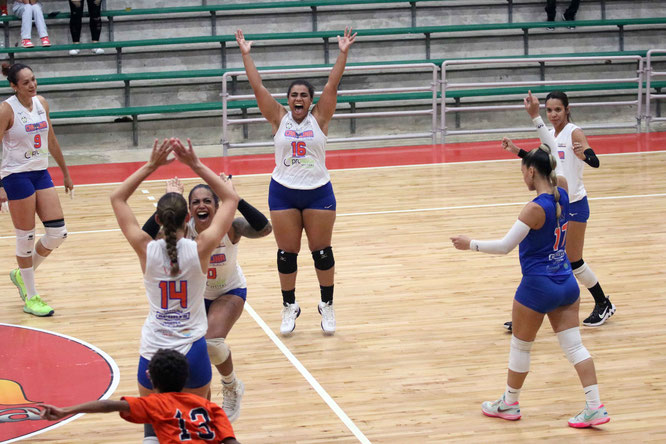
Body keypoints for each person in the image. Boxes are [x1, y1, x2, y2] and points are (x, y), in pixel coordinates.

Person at [451, 142, 611, 429]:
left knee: (521, 347)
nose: (522, 176)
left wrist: (469, 244)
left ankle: (510, 403)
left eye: (523, 170)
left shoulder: (534, 209)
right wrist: (527, 149)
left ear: (531, 172)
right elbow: (557, 172)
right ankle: (594, 406)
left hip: (537, 287)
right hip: (566, 284)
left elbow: (503, 247)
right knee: (575, 349)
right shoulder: (561, 192)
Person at [110, 138, 239, 443]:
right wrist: (194, 163)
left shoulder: (146, 248)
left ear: (156, 221)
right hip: (192, 348)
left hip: (153, 347)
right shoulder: (201, 248)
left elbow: (117, 198)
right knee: (197, 428)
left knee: (153, 428)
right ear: (189, 218)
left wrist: (152, 165)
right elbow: (230, 199)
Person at [235, 27, 356, 336]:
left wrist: (343, 52)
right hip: (284, 193)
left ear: (310, 101)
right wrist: (246, 55)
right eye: (294, 95)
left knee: (322, 252)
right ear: (288, 100)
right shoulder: (278, 118)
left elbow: (332, 84)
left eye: (304, 95)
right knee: (287, 254)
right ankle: (290, 305)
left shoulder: (321, 118)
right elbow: (257, 86)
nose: (298, 98)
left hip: (318, 192)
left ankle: (326, 305)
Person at [142, 176, 272, 423]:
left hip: (228, 292)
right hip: (195, 300)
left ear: (217, 205)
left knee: (212, 342)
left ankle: (232, 385)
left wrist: (235, 198)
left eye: (207, 201)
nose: (201, 205)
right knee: (195, 357)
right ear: (188, 211)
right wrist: (170, 203)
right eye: (195, 202)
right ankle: (203, 415)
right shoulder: (181, 232)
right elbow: (145, 237)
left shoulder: (230, 227)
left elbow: (264, 228)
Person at [503, 91, 615, 329]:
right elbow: (545, 164)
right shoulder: (550, 135)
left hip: (573, 204)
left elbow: (594, 160)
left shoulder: (574, 131)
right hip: (556, 204)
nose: (553, 115)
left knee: (573, 260)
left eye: (558, 110)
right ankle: (529, 310)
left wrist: (585, 155)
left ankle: (603, 302)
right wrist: (518, 151)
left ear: (567, 109)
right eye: (549, 110)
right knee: (549, 257)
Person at [39, 348, 241, 444]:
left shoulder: (156, 404)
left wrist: (66, 410)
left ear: (150, 378)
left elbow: (108, 406)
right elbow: (231, 442)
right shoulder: (210, 407)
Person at [1, 62, 73, 317]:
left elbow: (50, 138)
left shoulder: (42, 103)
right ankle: (31, 297)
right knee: (26, 237)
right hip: (15, 176)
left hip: (40, 172)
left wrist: (64, 171)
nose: (32, 85)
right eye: (25, 82)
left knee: (58, 233)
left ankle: (23, 274)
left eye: (33, 80)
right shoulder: (6, 109)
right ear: (13, 86)